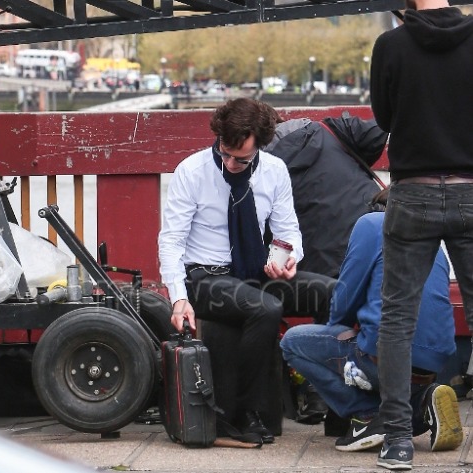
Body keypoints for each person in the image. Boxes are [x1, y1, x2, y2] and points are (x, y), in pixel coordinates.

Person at [158, 97, 334, 444]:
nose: (230, 163)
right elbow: (171, 242)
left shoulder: (273, 170)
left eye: (242, 159)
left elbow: (289, 233)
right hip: (207, 277)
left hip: (256, 271)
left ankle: (340, 409)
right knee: (264, 308)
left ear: (260, 147)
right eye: (224, 153)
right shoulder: (192, 172)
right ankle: (236, 413)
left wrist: (284, 257)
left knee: (331, 292)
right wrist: (179, 298)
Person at [280, 189, 463, 456]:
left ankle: (366, 415)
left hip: (385, 358)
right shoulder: (432, 238)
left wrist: (336, 328)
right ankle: (423, 401)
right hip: (432, 365)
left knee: (293, 342)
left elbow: (345, 295)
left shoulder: (372, 224)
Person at [370, 0, 473, 468]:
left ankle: (397, 441)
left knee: (396, 320)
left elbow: (384, 119)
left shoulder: (390, 45)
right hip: (472, 190)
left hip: (413, 192)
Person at [264, 110, 388, 278]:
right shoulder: (327, 130)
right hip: (376, 239)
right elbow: (378, 131)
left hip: (320, 272)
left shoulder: (256, 173)